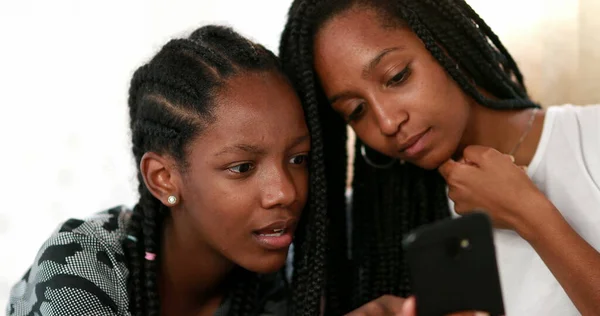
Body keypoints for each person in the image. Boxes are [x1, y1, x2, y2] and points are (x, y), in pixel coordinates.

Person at [279, 0, 600, 315]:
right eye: (356, 111)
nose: (387, 123)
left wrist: (530, 216)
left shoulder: (591, 134)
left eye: (396, 76)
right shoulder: (373, 232)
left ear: (444, 43)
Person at [7, 25, 325, 316]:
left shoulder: (276, 283)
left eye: (298, 159)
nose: (286, 192)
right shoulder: (80, 265)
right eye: (242, 167)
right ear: (164, 179)